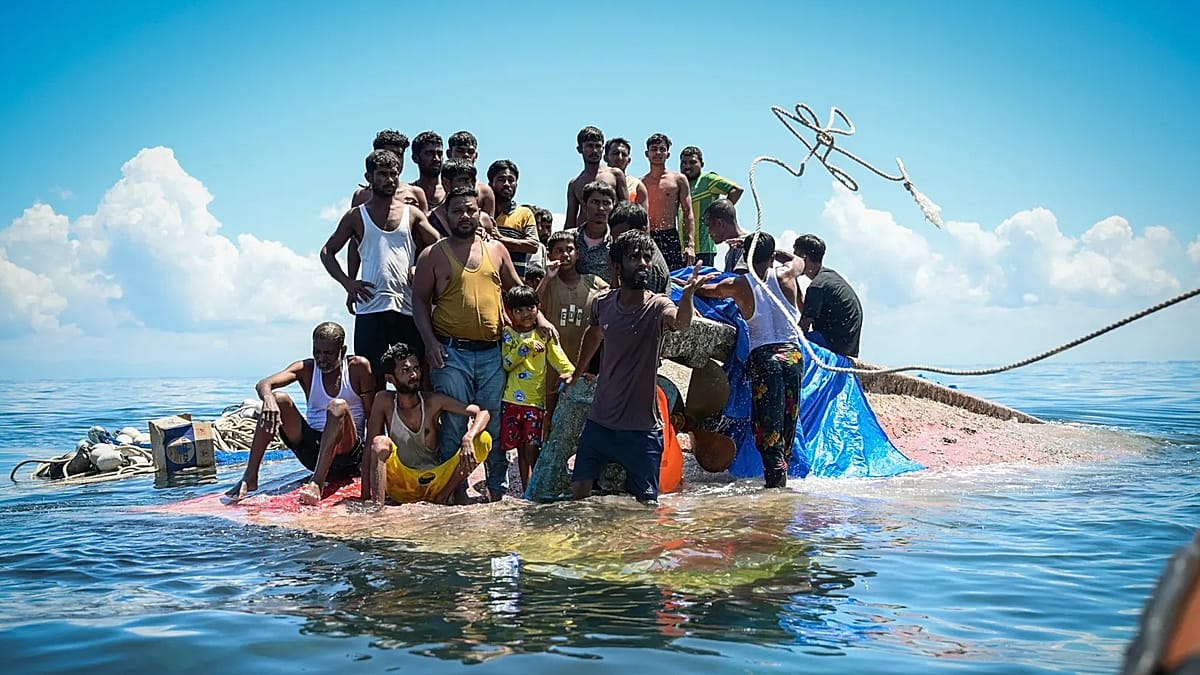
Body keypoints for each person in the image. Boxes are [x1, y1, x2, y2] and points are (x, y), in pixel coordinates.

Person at [411, 186, 556, 502]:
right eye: (457, 211)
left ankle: (496, 490)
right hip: (451, 353)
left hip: (493, 353)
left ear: (479, 213)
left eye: (470, 210)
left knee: (494, 424)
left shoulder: (497, 250)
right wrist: (430, 343)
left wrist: (541, 320)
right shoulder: (432, 255)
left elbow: (519, 294)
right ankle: (457, 490)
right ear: (445, 215)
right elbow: (419, 302)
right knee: (453, 424)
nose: (464, 216)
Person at [566, 230, 714, 503]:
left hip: (642, 429)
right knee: (578, 492)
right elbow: (594, 333)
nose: (643, 263)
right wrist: (576, 373)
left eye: (647, 257)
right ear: (616, 266)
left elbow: (681, 324)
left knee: (646, 506)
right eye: (634, 257)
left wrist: (688, 296)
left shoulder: (658, 306)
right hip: (600, 423)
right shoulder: (602, 303)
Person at [320, 149, 442, 389]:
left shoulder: (412, 213)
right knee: (371, 377)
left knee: (413, 376)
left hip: (406, 307)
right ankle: (376, 416)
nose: (389, 180)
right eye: (383, 174)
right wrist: (348, 283)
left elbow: (438, 245)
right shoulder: (356, 216)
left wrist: (418, 266)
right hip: (370, 307)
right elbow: (327, 252)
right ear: (369, 177)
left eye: (394, 174)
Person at [224, 322, 375, 505]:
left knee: (338, 406)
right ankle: (250, 476)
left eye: (328, 353)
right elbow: (264, 384)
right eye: (317, 352)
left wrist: (370, 462)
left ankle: (317, 482)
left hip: (346, 453)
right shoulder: (307, 368)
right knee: (278, 398)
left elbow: (372, 417)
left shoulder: (358, 367)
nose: (321, 359)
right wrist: (269, 400)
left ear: (342, 350)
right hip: (313, 453)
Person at [697, 232, 804, 488]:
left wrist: (694, 284)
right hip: (792, 355)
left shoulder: (738, 284)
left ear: (746, 257)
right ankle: (781, 480)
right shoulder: (786, 274)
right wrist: (778, 254)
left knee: (767, 424)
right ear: (771, 257)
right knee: (788, 419)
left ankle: (774, 482)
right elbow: (799, 260)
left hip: (765, 357)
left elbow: (708, 291)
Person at [361, 342, 492, 506]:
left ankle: (443, 497)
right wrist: (364, 495)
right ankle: (377, 506)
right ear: (390, 378)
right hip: (401, 485)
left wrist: (469, 437)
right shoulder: (384, 401)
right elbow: (370, 447)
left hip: (435, 480)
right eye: (405, 371)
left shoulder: (432, 401)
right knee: (379, 442)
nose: (414, 375)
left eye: (416, 368)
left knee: (484, 439)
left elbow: (482, 412)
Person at [500, 285, 574, 490]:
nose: (526, 314)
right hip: (511, 401)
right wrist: (525, 347)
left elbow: (559, 359)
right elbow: (507, 363)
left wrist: (573, 373)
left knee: (532, 448)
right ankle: (527, 491)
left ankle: (534, 490)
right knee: (520, 450)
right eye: (519, 310)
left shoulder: (544, 333)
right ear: (511, 312)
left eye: (530, 308)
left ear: (538, 307)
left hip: (535, 402)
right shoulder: (508, 333)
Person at [535, 230, 609, 418]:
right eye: (559, 251)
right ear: (550, 255)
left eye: (569, 249)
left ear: (578, 254)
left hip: (580, 369)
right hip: (547, 368)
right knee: (546, 419)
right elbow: (532, 307)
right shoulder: (548, 284)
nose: (565, 254)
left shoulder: (594, 283)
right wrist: (547, 277)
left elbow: (614, 300)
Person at [793, 234, 863, 358]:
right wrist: (792, 278)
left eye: (795, 257)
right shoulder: (827, 277)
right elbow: (807, 310)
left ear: (804, 257)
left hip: (833, 344)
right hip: (847, 346)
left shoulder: (817, 286)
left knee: (786, 342)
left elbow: (803, 326)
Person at [679, 146, 743, 268]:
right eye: (684, 163)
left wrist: (721, 212)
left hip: (704, 248)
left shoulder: (707, 179)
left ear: (702, 164)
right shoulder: (681, 184)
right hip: (684, 250)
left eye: (692, 162)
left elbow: (737, 190)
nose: (687, 166)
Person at [641, 133, 694, 270]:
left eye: (662, 149)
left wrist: (690, 245)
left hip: (669, 235)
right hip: (648, 236)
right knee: (648, 275)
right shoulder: (641, 183)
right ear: (647, 153)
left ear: (668, 154)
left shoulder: (678, 180)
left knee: (674, 276)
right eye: (654, 149)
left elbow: (688, 213)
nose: (658, 153)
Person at [487, 159, 540, 278]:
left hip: (514, 285)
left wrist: (501, 239)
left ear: (516, 185)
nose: (506, 184)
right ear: (490, 184)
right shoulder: (481, 213)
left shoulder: (525, 214)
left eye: (511, 180)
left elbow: (533, 245)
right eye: (501, 180)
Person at [566, 126, 629, 227]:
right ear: (580, 149)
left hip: (611, 232)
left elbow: (627, 211)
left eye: (598, 146)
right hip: (584, 234)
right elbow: (570, 220)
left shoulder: (615, 175)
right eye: (590, 146)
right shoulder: (575, 184)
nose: (595, 151)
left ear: (603, 149)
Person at [351, 130, 428, 211]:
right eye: (391, 154)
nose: (395, 159)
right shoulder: (362, 196)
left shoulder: (415, 194)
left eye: (399, 155)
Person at [607, 202, 670, 294]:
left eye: (623, 238)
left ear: (641, 231)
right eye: (615, 239)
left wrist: (615, 278)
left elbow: (634, 299)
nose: (618, 244)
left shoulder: (649, 267)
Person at [430, 159, 497, 238]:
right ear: (446, 183)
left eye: (473, 181)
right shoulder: (431, 220)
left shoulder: (483, 219)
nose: (470, 186)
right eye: (464, 180)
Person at [572, 181, 616, 283]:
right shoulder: (570, 238)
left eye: (606, 203)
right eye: (595, 202)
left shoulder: (616, 242)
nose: (601, 208)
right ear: (584, 205)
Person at [446, 130, 497, 217]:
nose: (466, 155)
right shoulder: (439, 188)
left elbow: (488, 222)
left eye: (470, 152)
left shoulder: (484, 191)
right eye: (460, 151)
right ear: (449, 153)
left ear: (476, 156)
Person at [703, 199, 748, 273]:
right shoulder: (730, 252)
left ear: (720, 223)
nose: (708, 232)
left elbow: (740, 278)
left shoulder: (747, 246)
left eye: (709, 226)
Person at [605, 137, 648, 205]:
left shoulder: (637, 186)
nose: (620, 158)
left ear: (629, 160)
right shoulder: (598, 181)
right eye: (615, 153)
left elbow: (643, 211)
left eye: (624, 154)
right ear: (605, 158)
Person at [411, 131, 445, 211]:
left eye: (439, 154)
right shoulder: (409, 193)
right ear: (415, 158)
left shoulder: (451, 192)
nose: (436, 159)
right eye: (429, 153)